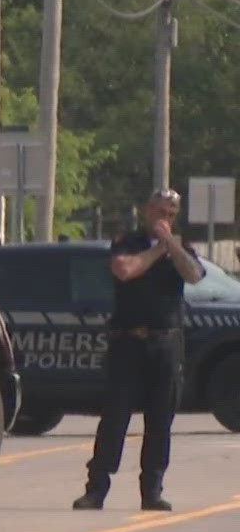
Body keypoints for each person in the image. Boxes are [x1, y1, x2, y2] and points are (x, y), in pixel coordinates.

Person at [74, 188, 204, 512]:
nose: (164, 218)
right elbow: (125, 270)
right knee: (115, 419)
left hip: (166, 343)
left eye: (170, 214)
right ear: (147, 210)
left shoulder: (180, 248)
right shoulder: (127, 242)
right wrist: (159, 249)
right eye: (159, 211)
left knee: (160, 421)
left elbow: (195, 274)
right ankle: (96, 490)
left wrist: (170, 244)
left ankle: (152, 491)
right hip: (128, 342)